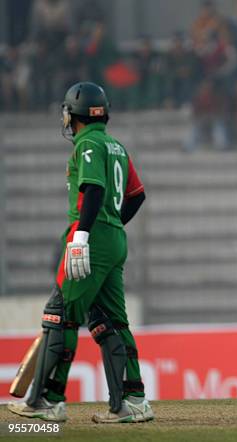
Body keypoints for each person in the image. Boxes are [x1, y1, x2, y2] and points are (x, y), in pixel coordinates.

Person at [8, 82, 154, 423]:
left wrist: (84, 235)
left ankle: (48, 401)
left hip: (91, 237)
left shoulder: (87, 144)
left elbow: (92, 189)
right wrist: (112, 225)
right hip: (115, 239)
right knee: (111, 321)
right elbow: (137, 195)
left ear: (74, 114)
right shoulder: (115, 145)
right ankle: (133, 402)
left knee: (60, 315)